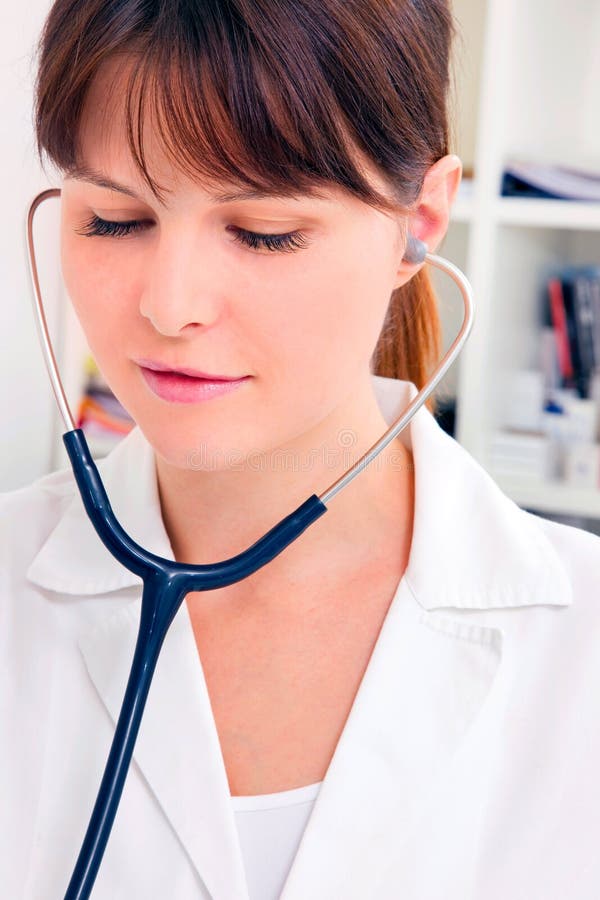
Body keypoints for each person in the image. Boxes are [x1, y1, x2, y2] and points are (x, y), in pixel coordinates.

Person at [2, 1, 600, 898]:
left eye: (264, 233)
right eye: (116, 220)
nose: (172, 306)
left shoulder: (577, 647)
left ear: (421, 221)